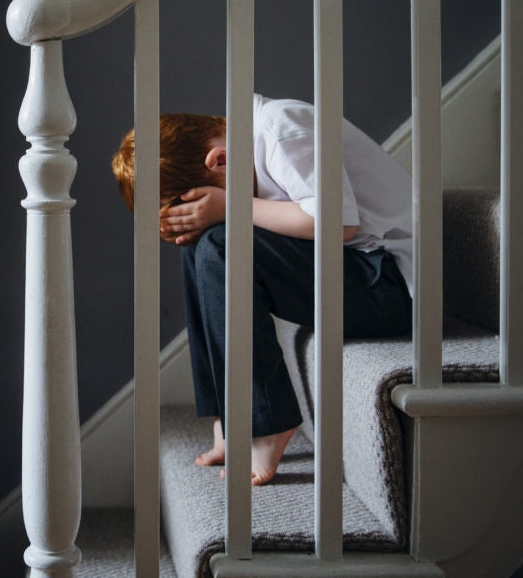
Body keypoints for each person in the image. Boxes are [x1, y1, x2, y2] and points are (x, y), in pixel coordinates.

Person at [111, 94, 413, 485]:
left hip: (392, 286)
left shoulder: (281, 127)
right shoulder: (254, 139)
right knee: (203, 245)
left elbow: (337, 224)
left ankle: (266, 422)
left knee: (220, 241)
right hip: (356, 274)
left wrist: (232, 205)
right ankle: (227, 413)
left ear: (219, 160)